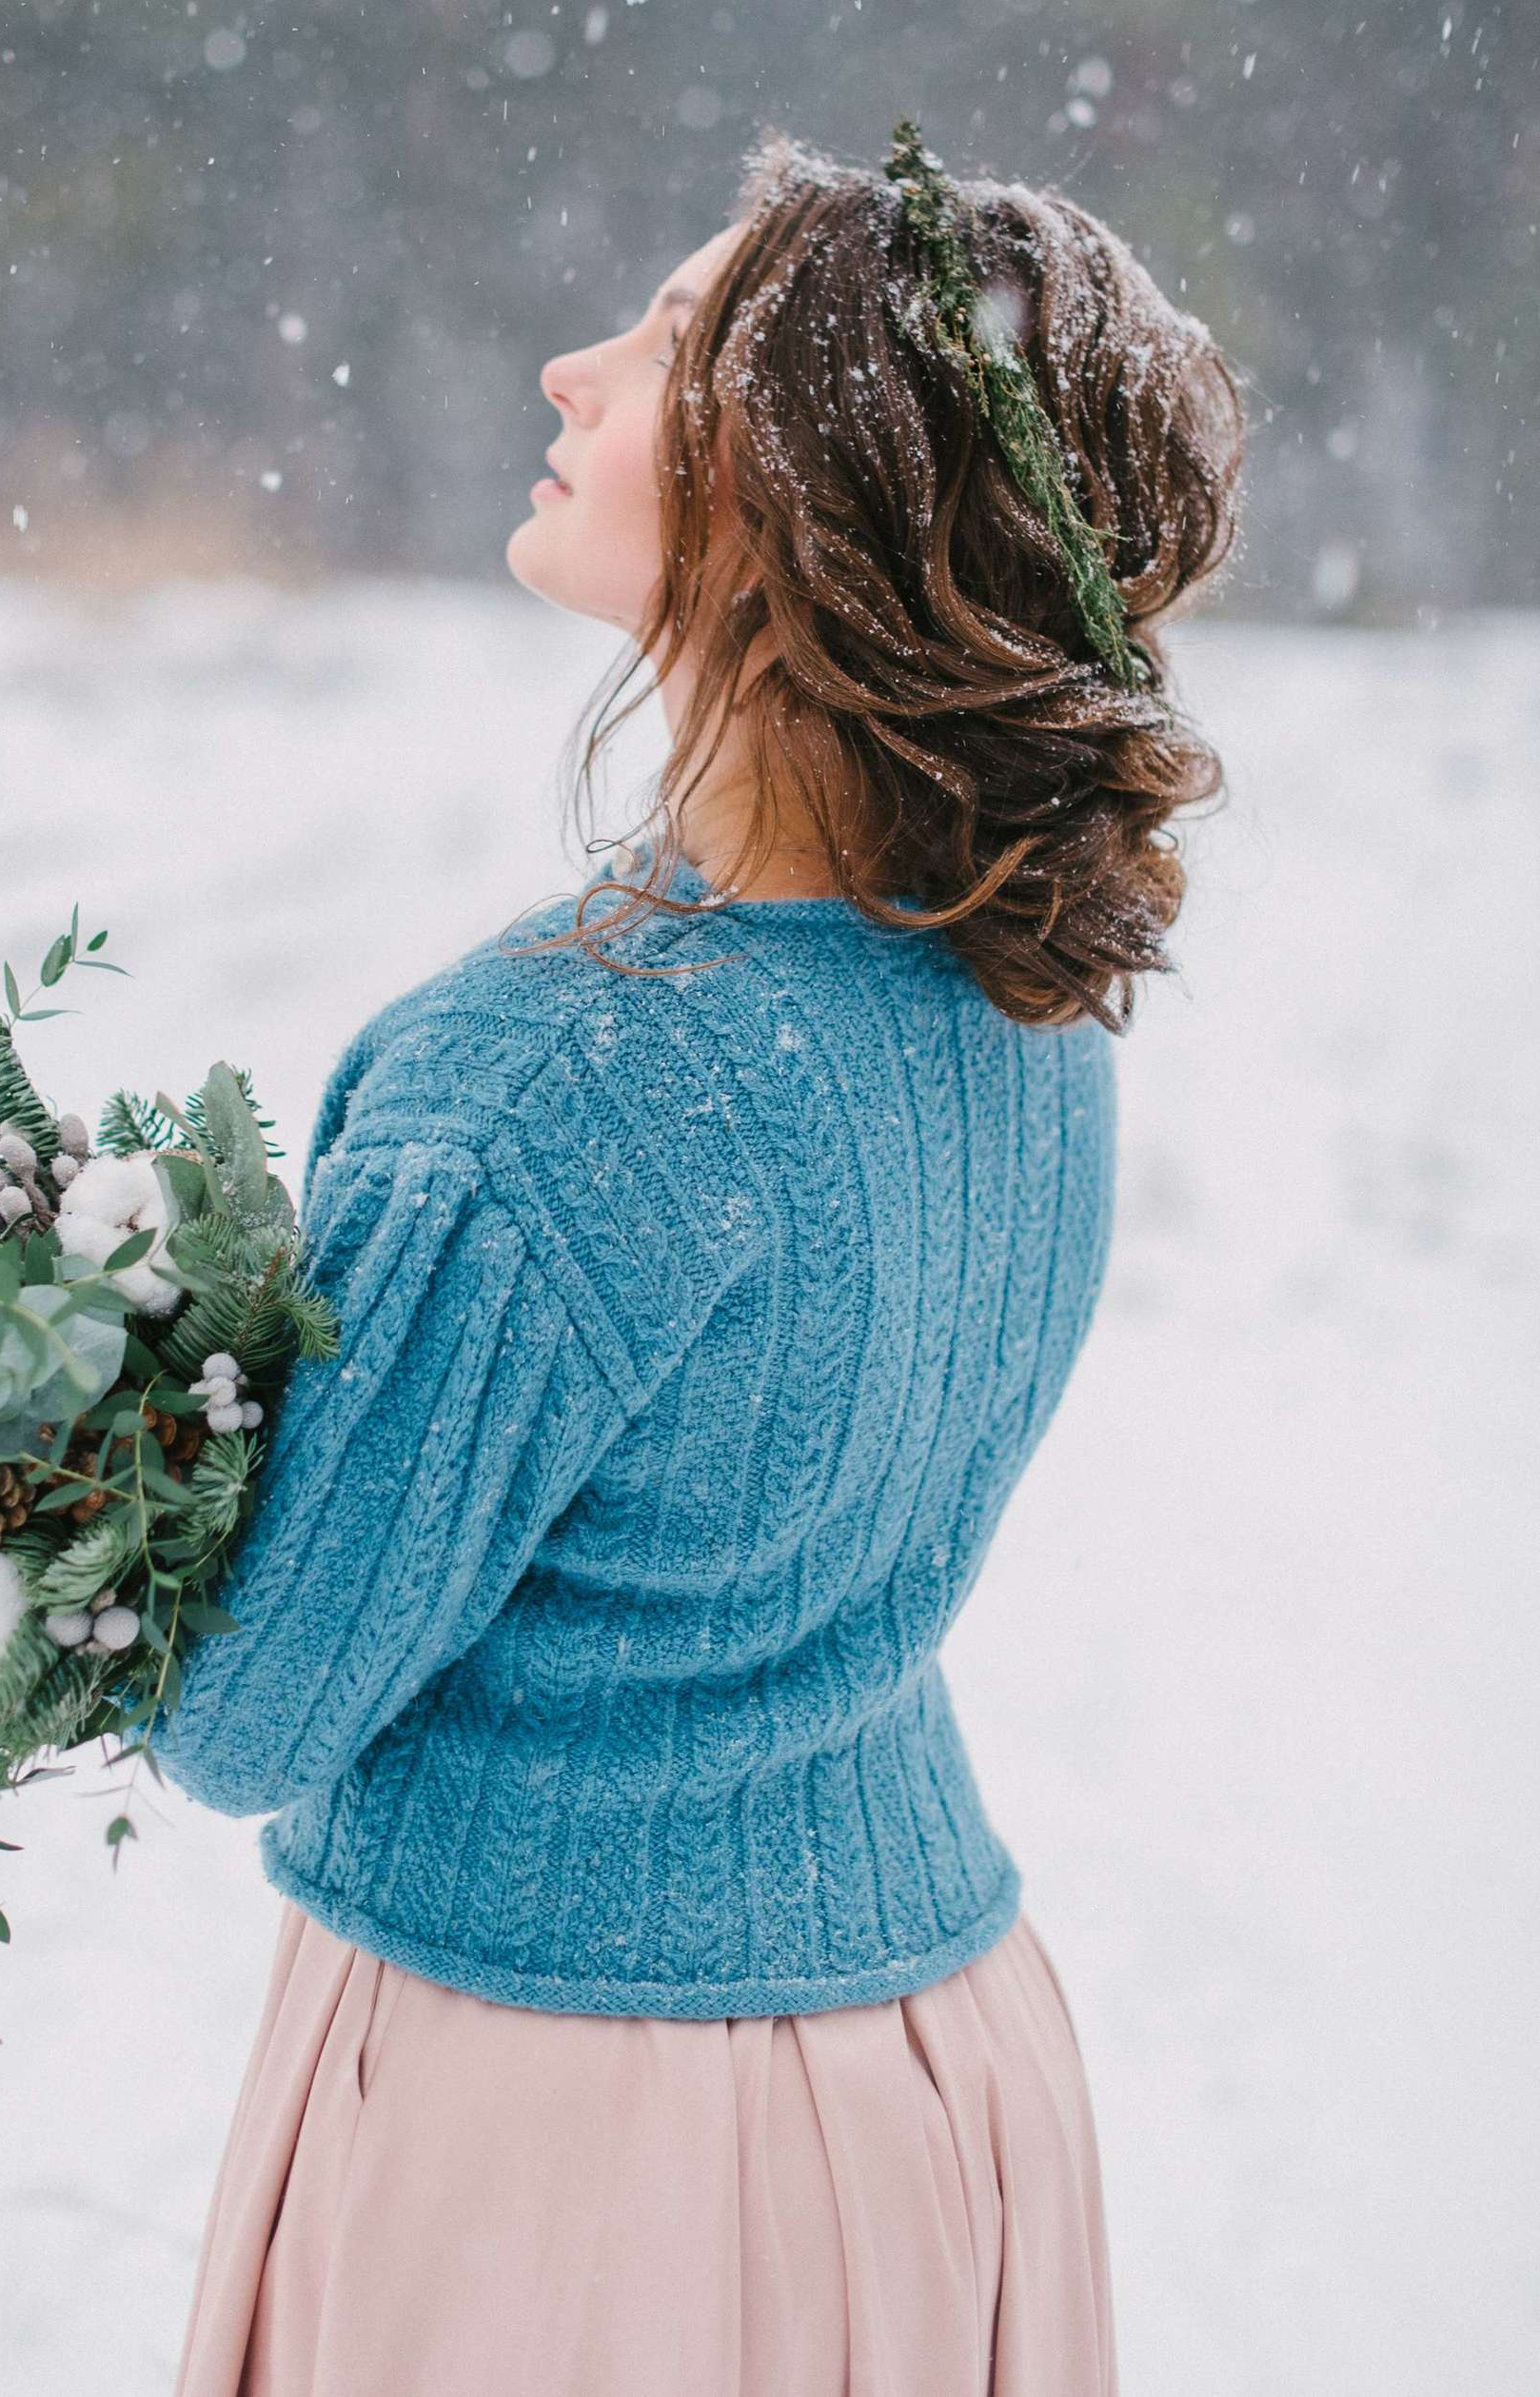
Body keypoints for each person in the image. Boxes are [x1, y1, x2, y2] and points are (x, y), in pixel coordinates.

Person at [161, 120, 1246, 2396]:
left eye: (656, 342)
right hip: (937, 2073)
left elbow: (254, 1701)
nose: (567, 372)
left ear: (791, 489)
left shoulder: (545, 1083)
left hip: (566, 2150)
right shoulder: (1017, 998)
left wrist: (26, 1513)